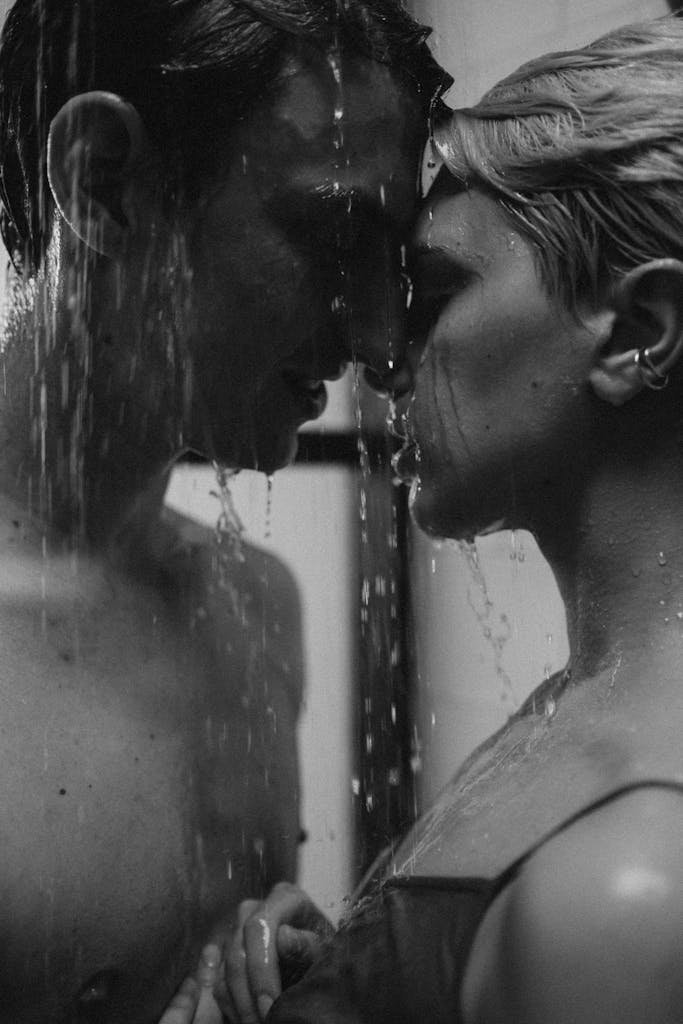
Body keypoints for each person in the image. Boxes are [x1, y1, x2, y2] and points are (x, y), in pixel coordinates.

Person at [228, 13, 683, 1023]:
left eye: (433, 289)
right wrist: (350, 977)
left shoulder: (631, 879)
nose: (382, 351)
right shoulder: (576, 715)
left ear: (637, 330)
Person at [0, 1, 447, 1021]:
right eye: (335, 233)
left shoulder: (254, 604)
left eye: (393, 261)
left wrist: (301, 984)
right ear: (102, 184)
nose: (382, 341)